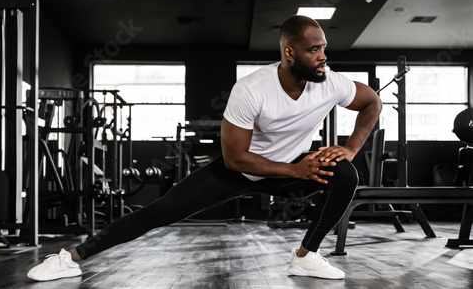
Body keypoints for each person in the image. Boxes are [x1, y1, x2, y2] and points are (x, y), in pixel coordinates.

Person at [27, 15, 382, 281]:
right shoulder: (252, 89)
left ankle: (306, 256)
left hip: (292, 167)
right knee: (160, 211)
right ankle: (71, 259)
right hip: (241, 170)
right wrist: (295, 170)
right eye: (314, 49)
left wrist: (350, 149)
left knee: (344, 175)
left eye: (323, 47)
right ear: (290, 52)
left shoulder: (330, 82)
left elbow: (372, 103)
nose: (323, 56)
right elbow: (235, 157)